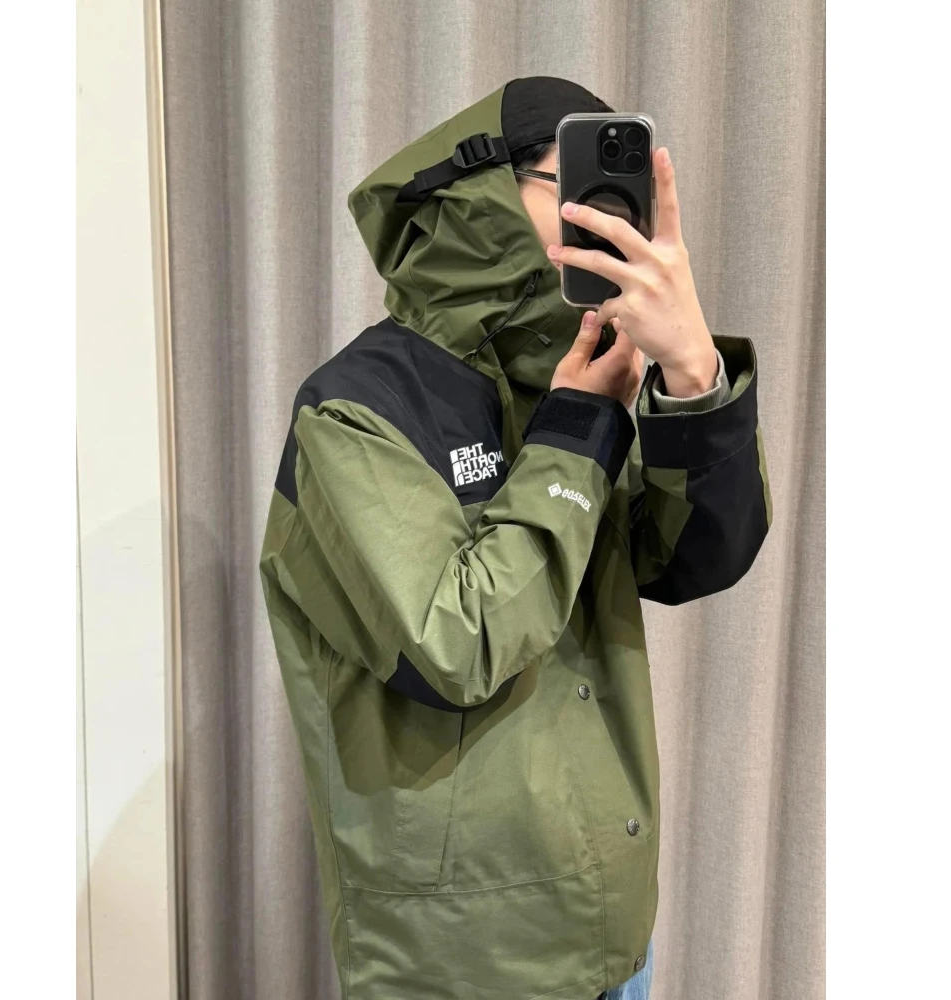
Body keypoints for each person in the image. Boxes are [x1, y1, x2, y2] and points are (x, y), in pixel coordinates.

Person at [260, 76, 771, 1000]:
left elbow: (696, 557)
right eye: (577, 186)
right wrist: (578, 433)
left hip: (613, 937)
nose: (610, 221)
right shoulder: (356, 410)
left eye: (624, 201)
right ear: (484, 192)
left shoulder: (576, 382)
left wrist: (693, 375)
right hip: (459, 964)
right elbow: (456, 644)